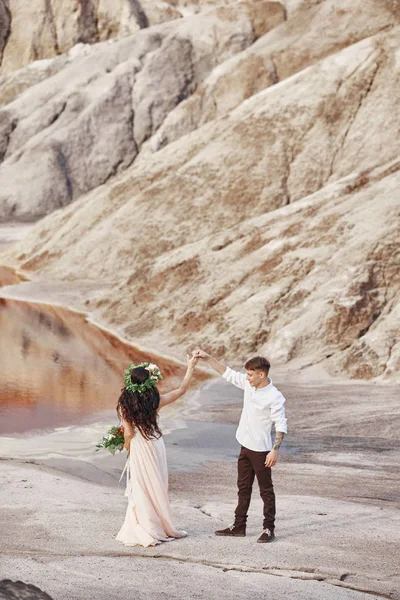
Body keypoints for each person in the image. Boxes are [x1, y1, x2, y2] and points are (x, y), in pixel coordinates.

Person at [193, 350, 287, 543]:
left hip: (261, 451)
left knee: (266, 490)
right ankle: (239, 526)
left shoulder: (275, 397)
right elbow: (226, 372)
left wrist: (274, 450)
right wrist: (207, 357)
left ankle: (268, 529)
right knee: (243, 488)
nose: (247, 378)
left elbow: (281, 425)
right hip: (244, 444)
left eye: (251, 375)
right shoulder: (248, 383)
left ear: (262, 375)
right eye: (247, 374)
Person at [116, 355, 198, 547]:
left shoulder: (124, 406)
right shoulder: (156, 401)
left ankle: (146, 524)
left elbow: (128, 433)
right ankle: (162, 523)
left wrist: (127, 446)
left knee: (141, 486)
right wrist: (190, 367)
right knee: (157, 484)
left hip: (139, 446)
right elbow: (181, 389)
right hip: (155, 444)